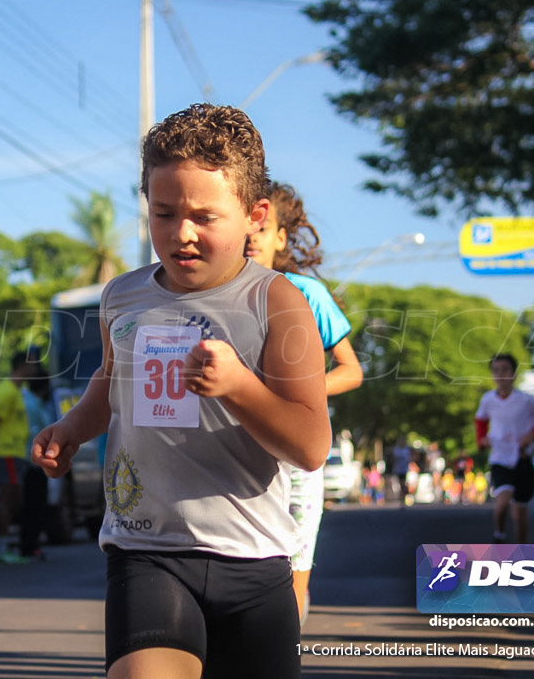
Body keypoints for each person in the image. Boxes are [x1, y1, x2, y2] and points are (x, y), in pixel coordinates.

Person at [31, 103, 331, 679]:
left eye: (204, 216)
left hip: (255, 560)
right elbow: (111, 382)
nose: (182, 233)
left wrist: (239, 386)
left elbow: (310, 444)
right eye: (163, 213)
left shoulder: (277, 303)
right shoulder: (122, 297)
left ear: (254, 215)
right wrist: (71, 428)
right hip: (145, 551)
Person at [245, 179, 363, 622]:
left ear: (280, 237)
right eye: (246, 224)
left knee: (292, 579)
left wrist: (296, 392)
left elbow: (351, 370)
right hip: (235, 455)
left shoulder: (306, 294)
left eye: (264, 226)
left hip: (296, 458)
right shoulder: (217, 294)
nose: (252, 236)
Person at [475, 354, 534, 544]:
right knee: (502, 503)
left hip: (522, 458)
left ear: (513, 374)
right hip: (500, 458)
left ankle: (521, 554)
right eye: (496, 370)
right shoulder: (488, 400)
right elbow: (480, 420)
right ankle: (500, 537)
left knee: (520, 515)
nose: (500, 374)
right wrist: (482, 440)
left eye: (505, 369)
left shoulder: (526, 401)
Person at [0, 351, 34, 564]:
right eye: (32, 365)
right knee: (8, 500)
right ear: (22, 365)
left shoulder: (17, 390)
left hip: (14, 454)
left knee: (14, 500)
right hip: (5, 453)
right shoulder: (6, 392)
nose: (35, 370)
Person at [21, 367, 55, 559]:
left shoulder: (35, 404)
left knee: (34, 507)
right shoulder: (32, 407)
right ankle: (30, 546)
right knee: (33, 507)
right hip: (33, 464)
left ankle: (32, 544)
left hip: (33, 464)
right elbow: (35, 437)